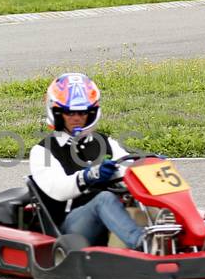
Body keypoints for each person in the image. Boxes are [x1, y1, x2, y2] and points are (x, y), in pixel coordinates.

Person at [28, 72, 147, 251]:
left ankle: (186, 234)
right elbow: (58, 189)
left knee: (149, 192)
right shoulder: (42, 151)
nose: (77, 118)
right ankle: (142, 243)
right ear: (57, 113)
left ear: (91, 113)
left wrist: (148, 166)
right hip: (70, 227)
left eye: (83, 112)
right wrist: (89, 176)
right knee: (104, 199)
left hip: (110, 217)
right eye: (70, 112)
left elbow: (127, 169)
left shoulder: (106, 143)